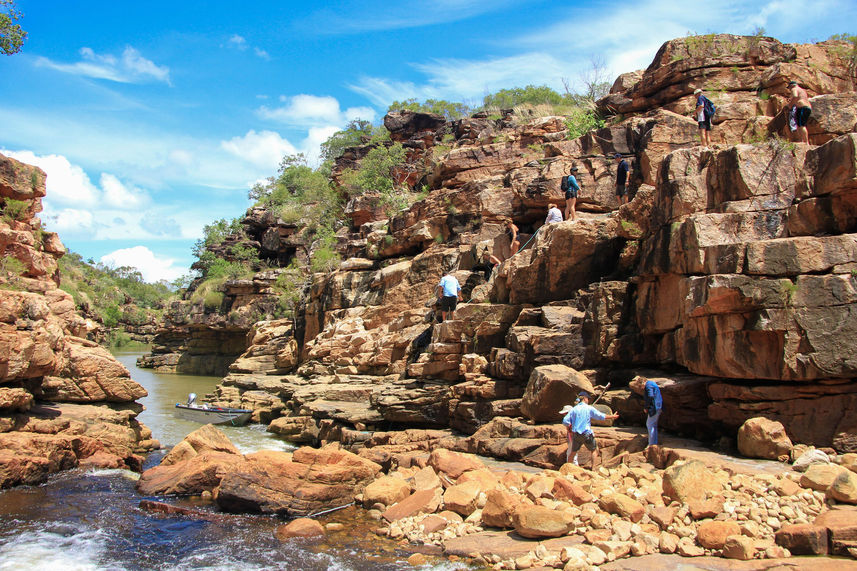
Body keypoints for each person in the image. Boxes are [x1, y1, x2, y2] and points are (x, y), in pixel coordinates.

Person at [560, 391, 619, 469]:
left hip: (576, 434)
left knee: (573, 452)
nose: (588, 400)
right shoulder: (589, 408)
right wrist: (612, 417)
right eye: (588, 398)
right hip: (586, 433)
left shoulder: (574, 409)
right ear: (584, 398)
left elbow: (565, 421)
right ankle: (593, 468)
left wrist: (569, 428)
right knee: (594, 450)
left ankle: (567, 469)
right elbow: (600, 416)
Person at [630, 376, 663, 446]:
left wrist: (646, 407)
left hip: (655, 407)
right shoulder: (651, 383)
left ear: (643, 382)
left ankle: (651, 444)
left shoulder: (648, 385)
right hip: (658, 405)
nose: (640, 387)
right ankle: (654, 442)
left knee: (650, 424)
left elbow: (650, 396)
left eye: (640, 385)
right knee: (653, 424)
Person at [788, 80, 812, 145]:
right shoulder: (802, 90)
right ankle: (802, 140)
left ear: (791, 86)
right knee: (800, 124)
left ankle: (806, 142)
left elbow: (795, 96)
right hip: (808, 107)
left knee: (801, 125)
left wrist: (790, 105)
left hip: (802, 107)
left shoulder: (794, 89)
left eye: (789, 88)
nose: (789, 89)